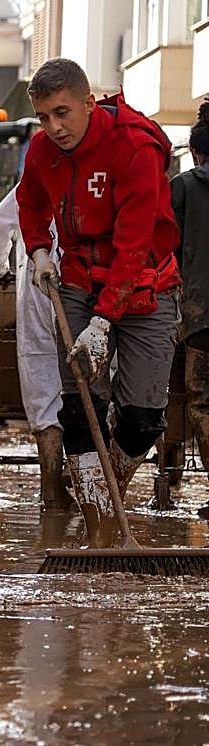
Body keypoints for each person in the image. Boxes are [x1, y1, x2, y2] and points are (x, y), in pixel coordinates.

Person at [17, 58, 181, 546]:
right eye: (44, 117)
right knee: (80, 402)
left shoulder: (134, 148)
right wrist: (39, 250)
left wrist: (105, 321)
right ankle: (98, 525)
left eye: (62, 113)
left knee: (143, 417)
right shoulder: (42, 149)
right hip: (76, 281)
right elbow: (30, 202)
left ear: (90, 102)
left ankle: (107, 480)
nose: (54, 127)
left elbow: (134, 245)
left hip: (146, 284)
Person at [0, 187, 72, 510]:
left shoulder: (31, 185)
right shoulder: (103, 172)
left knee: (44, 384)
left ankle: (51, 490)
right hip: (88, 287)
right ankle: (96, 496)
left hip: (36, 290)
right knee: (97, 382)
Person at [170, 99, 209, 519]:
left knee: (202, 402)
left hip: (200, 319)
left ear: (196, 153)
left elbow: (165, 249)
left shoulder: (181, 189)